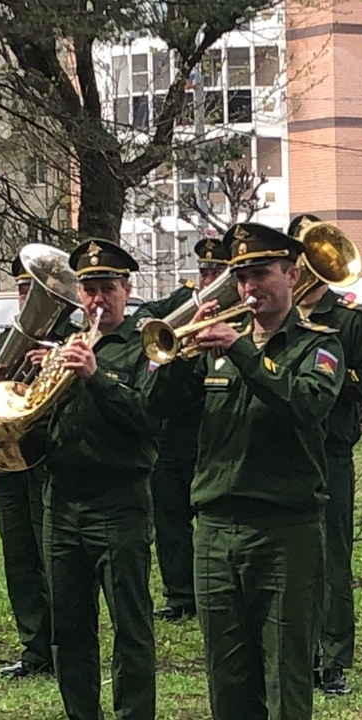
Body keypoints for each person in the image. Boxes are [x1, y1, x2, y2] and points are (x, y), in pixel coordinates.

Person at [147, 222, 343, 720]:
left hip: (285, 530)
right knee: (229, 682)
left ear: (291, 273)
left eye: (262, 272)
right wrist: (172, 358)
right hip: (216, 528)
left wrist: (237, 351)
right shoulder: (211, 349)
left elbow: (303, 406)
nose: (250, 287)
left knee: (285, 681)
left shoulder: (318, 347)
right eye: (241, 276)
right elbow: (159, 411)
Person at [38, 239, 158, 720]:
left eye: (107, 287)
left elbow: (147, 417)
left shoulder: (145, 346)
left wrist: (95, 376)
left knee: (129, 624)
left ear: (127, 291)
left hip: (119, 499)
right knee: (69, 625)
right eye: (88, 288)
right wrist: (38, 383)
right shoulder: (68, 344)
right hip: (62, 500)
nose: (95, 299)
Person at [288, 214, 362, 696]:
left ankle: (332, 657)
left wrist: (333, 378)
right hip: (283, 449)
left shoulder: (348, 320)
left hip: (329, 451)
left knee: (330, 557)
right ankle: (295, 652)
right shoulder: (277, 319)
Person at [134, 236, 227, 623]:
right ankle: (178, 593)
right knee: (169, 515)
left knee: (206, 513)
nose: (208, 276)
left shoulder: (237, 312)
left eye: (215, 270)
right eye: (204, 270)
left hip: (207, 422)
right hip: (171, 426)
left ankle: (210, 589)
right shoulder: (184, 300)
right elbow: (150, 319)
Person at [0, 254, 57, 679]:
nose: (26, 298)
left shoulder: (65, 340)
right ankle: (34, 645)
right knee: (18, 554)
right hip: (8, 459)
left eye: (32, 291)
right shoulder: (7, 338)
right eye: (22, 290)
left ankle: (59, 643)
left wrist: (50, 363)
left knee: (48, 552)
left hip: (47, 458)